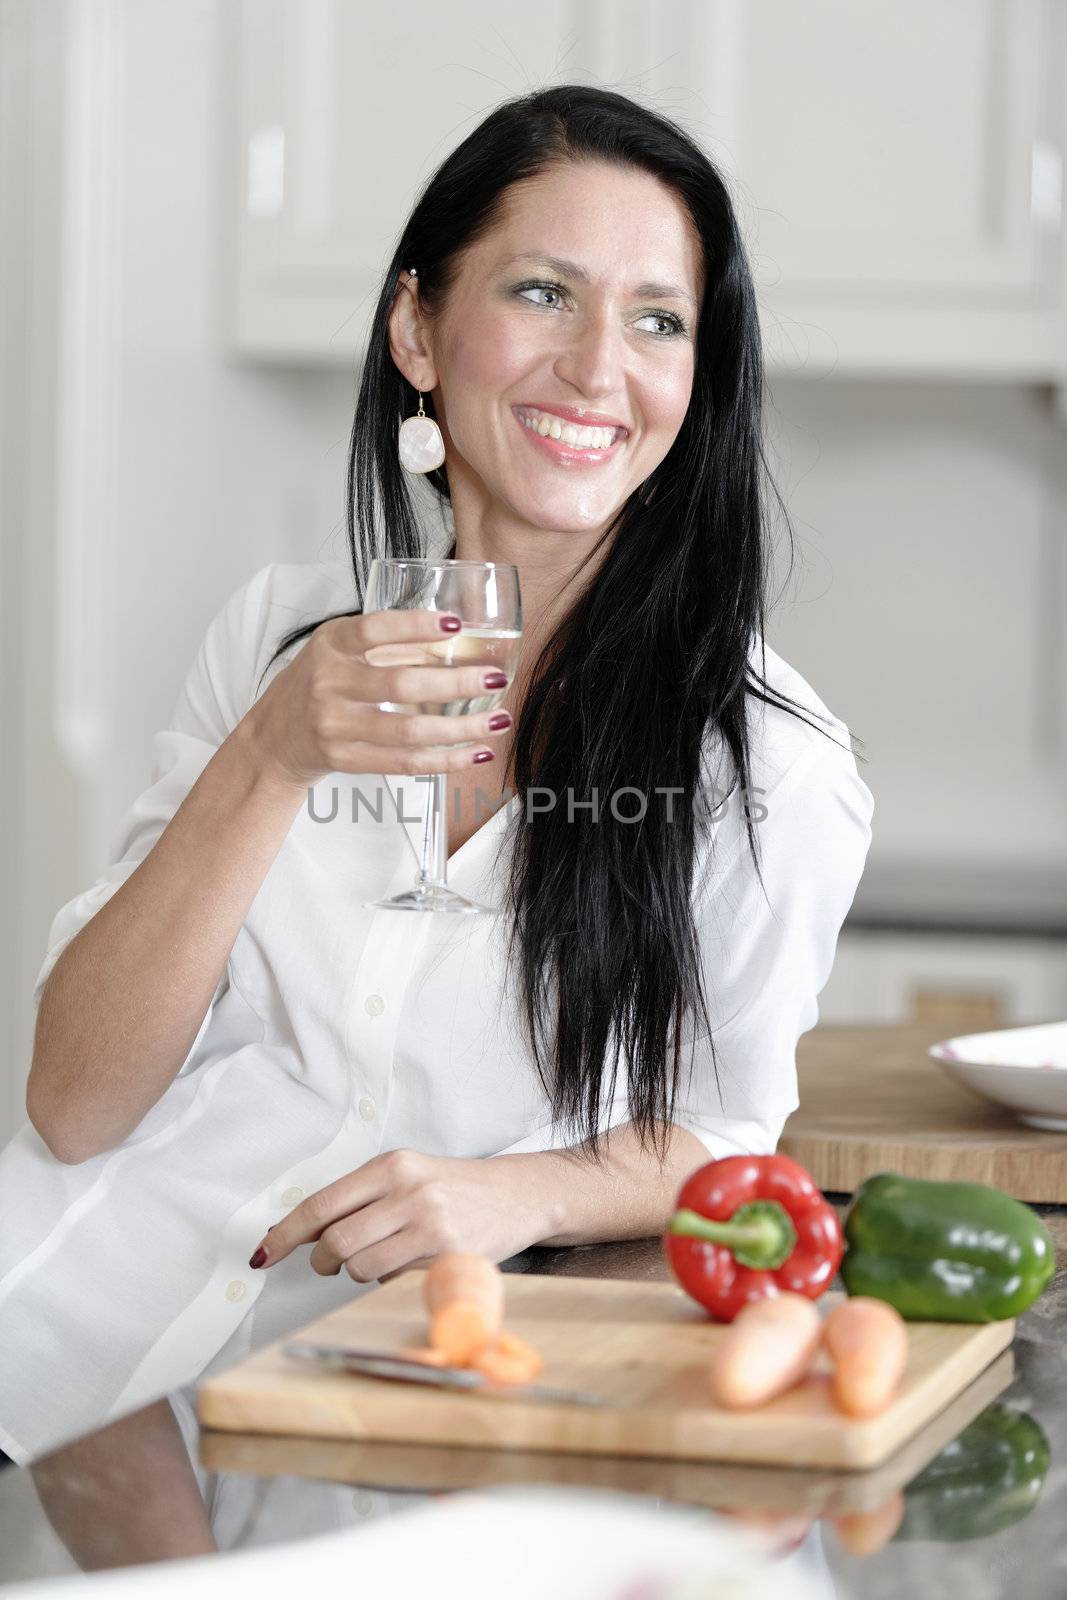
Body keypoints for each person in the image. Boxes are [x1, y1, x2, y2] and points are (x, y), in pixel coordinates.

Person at [0, 84, 873, 1467]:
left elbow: (722, 1129)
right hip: (47, 1331)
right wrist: (274, 752)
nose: (599, 368)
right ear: (419, 330)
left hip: (361, 1407)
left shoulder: (768, 758)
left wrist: (507, 1193)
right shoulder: (275, 642)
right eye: (544, 292)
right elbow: (75, 1100)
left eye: (659, 319)